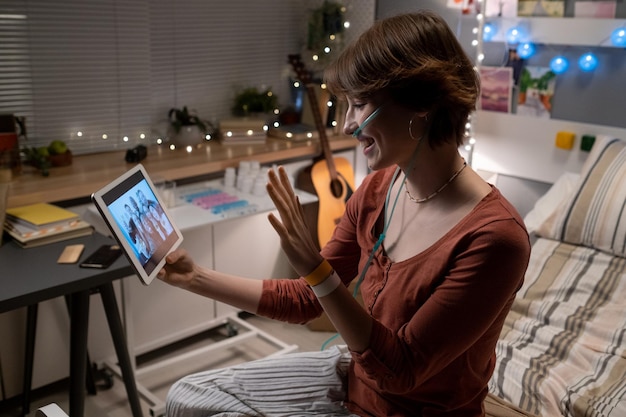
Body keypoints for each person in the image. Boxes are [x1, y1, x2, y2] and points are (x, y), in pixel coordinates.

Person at [157, 10, 531, 417]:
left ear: (423, 103)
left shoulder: (495, 240)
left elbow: (400, 371)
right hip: (355, 377)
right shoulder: (377, 190)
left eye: (358, 104)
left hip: (405, 405)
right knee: (186, 398)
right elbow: (305, 300)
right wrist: (193, 277)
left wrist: (317, 271)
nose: (348, 125)